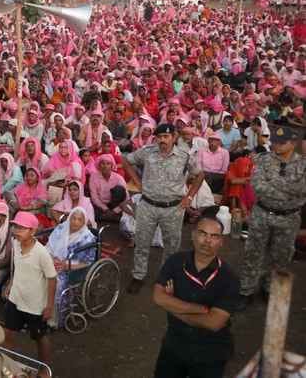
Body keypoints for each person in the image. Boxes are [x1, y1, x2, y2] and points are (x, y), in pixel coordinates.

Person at [151, 215, 239, 378]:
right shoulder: (175, 262)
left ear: (221, 242)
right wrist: (199, 310)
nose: (207, 241)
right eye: (202, 233)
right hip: (174, 345)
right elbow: (158, 297)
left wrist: (173, 308)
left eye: (214, 236)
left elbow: (214, 323)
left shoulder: (229, 278)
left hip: (211, 352)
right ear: (192, 235)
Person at [122, 124, 203, 295]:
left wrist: (189, 197)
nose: (162, 140)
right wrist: (137, 182)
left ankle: (165, 277)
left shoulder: (184, 156)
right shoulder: (147, 152)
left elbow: (200, 175)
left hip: (173, 208)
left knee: (171, 246)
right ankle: (138, 276)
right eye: (159, 137)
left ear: (174, 137)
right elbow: (127, 161)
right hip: (148, 205)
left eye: (166, 137)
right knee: (142, 243)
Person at [237, 125, 306, 309]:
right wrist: (288, 188)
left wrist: (275, 184)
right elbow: (257, 185)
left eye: (282, 142)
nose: (277, 145)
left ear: (293, 143)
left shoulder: (302, 163)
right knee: (253, 254)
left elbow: (302, 189)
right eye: (275, 141)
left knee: (281, 257)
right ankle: (246, 290)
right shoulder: (264, 160)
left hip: (288, 218)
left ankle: (269, 288)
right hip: (262, 213)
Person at [3, 211, 55, 377]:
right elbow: (18, 267)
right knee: (8, 332)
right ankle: (5, 362)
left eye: (22, 228)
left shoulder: (41, 253)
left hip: (35, 305)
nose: (17, 231)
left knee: (40, 337)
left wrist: (49, 306)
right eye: (16, 226)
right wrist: (11, 283)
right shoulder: (16, 244)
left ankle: (44, 368)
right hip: (15, 298)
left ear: (32, 231)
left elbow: (52, 279)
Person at [46, 207, 96, 329]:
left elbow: (87, 262)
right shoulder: (62, 228)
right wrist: (52, 260)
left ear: (84, 222)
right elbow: (49, 247)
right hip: (52, 261)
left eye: (79, 219)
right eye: (73, 218)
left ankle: (54, 320)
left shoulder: (87, 238)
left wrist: (66, 266)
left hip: (72, 270)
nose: (75, 222)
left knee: (56, 283)